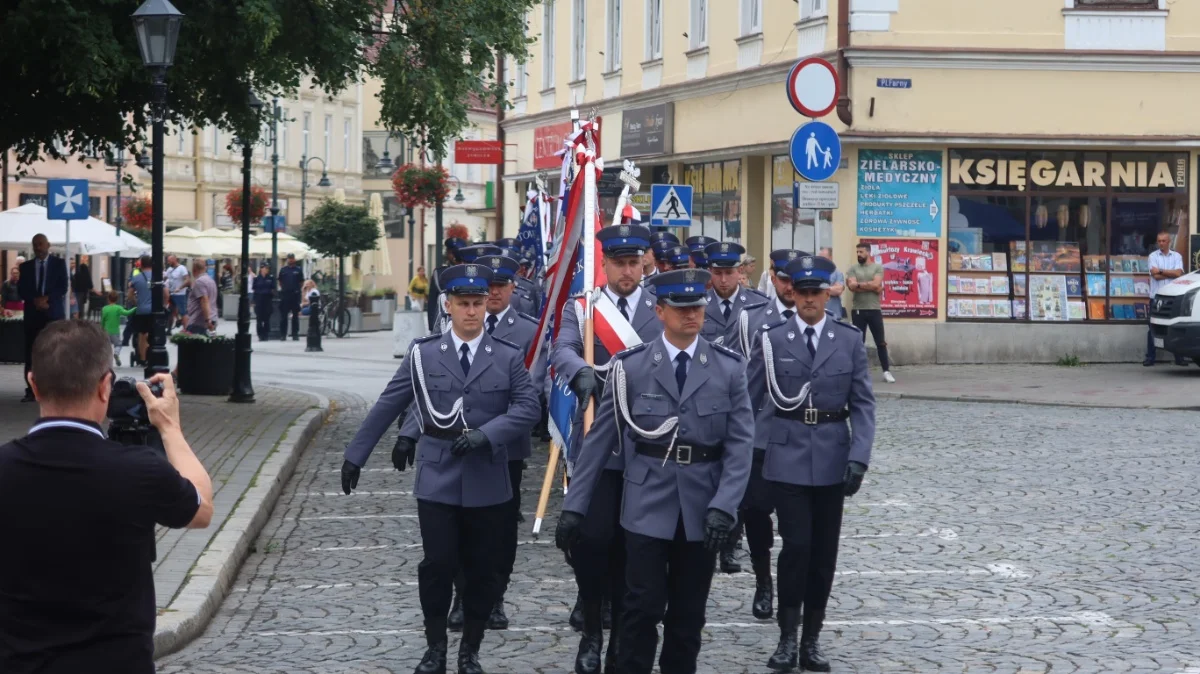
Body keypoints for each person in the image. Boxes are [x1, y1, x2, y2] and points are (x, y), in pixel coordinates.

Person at [341, 263, 540, 674]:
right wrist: (355, 455)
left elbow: (527, 408)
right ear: (447, 306)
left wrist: (488, 434)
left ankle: (471, 649)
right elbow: (390, 402)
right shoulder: (425, 352)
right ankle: (435, 648)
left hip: (488, 475)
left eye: (477, 303)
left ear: (487, 304)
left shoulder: (507, 356)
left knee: (482, 569)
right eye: (463, 304)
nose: (471, 311)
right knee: (438, 564)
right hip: (438, 475)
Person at [556, 267, 753, 674]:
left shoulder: (728, 368)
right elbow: (598, 442)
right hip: (646, 504)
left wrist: (725, 505)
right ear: (660, 310)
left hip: (701, 507)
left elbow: (739, 445)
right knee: (640, 607)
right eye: (681, 308)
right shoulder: (631, 367)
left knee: (688, 615)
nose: (691, 315)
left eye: (696, 307)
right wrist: (575, 507)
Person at [0, 320, 213, 674]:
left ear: (33, 384)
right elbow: (201, 510)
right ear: (105, 386)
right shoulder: (139, 471)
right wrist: (170, 427)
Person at [394, 254, 542, 633]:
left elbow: (534, 390)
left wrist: (493, 433)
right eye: (480, 293)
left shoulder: (527, 332)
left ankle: (494, 596)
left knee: (501, 532)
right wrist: (410, 433)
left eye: (499, 286)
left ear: (512, 287)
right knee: (452, 532)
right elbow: (430, 394)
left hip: (503, 448)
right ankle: (463, 597)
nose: (490, 296)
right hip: (450, 448)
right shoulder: (446, 330)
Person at [747, 254, 876, 672]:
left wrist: (859, 457)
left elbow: (864, 406)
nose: (807, 299)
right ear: (792, 293)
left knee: (823, 555)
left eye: (815, 292)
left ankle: (812, 639)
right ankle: (787, 636)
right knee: (796, 547)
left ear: (828, 293)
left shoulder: (849, 339)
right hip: (785, 455)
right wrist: (746, 451)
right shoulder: (772, 338)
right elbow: (749, 399)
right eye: (800, 292)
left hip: (833, 456)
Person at [552, 223, 664, 673]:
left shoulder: (663, 308)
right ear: (605, 264)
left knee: (633, 550)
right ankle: (592, 633)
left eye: (633, 263)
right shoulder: (585, 308)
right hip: (598, 444)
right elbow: (559, 348)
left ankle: (620, 635)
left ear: (643, 263)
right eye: (617, 263)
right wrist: (579, 368)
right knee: (593, 541)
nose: (626, 271)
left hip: (648, 447)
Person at [18, 234, 68, 402]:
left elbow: (63, 287)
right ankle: (31, 389)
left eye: (40, 244)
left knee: (54, 351)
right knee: (32, 352)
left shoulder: (59, 264)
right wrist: (35, 300)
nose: (38, 247)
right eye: (35, 245)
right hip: (33, 315)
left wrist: (47, 299)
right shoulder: (25, 267)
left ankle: (55, 388)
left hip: (52, 314)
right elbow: (21, 290)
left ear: (48, 245)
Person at [847, 241, 896, 383]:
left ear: (868, 252)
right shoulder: (853, 269)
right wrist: (872, 286)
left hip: (874, 309)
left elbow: (876, 284)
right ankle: (858, 372)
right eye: (857, 252)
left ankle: (886, 371)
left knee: (880, 342)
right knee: (858, 343)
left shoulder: (877, 267)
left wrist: (860, 285)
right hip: (858, 310)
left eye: (861, 252)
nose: (859, 255)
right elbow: (852, 286)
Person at [1146, 230, 1186, 366]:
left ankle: (1179, 358)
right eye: (1159, 241)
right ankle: (1150, 358)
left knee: (1175, 326)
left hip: (1174, 297)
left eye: (1164, 241)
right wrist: (1171, 273)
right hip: (1156, 297)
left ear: (1169, 242)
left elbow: (1179, 273)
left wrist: (1161, 271)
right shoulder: (1152, 256)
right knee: (1152, 327)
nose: (1161, 243)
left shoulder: (1177, 256)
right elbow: (1155, 275)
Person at [426, 237, 467, 333]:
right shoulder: (439, 273)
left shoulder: (470, 274)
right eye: (450, 252)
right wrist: (432, 327)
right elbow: (432, 301)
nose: (453, 256)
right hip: (443, 324)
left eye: (456, 252)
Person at [125, 255, 158, 367]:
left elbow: (129, 295)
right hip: (155, 311)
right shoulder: (157, 276)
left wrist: (136, 302)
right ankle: (153, 355)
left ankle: (143, 359)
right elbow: (166, 292)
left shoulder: (137, 277)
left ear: (142, 264)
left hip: (142, 310)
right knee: (154, 333)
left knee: (142, 335)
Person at [101, 291, 136, 367]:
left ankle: (107, 361)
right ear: (117, 299)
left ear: (108, 299)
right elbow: (127, 313)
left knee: (107, 346)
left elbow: (102, 321)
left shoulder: (104, 309)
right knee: (118, 345)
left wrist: (102, 329)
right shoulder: (118, 308)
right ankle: (116, 353)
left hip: (106, 331)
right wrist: (135, 308)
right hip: (115, 332)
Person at [184, 259, 218, 336]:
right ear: (205, 268)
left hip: (199, 321)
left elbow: (204, 300)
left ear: (194, 269)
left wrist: (207, 320)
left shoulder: (199, 281)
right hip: (212, 317)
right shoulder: (211, 281)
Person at [278, 253, 304, 340]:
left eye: (292, 258)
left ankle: (295, 334)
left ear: (294, 259)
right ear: (287, 260)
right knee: (284, 316)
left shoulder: (298, 270)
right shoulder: (283, 270)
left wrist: (296, 289)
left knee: (295, 316)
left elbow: (301, 282)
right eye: (289, 258)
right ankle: (283, 334)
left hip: (295, 295)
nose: (291, 260)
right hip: (285, 295)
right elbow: (280, 282)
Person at [818, 247, 847, 319]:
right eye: (819, 258)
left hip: (834, 314)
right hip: (818, 315)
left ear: (830, 258)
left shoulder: (837, 273)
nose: (820, 260)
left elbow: (838, 290)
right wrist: (831, 287)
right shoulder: (815, 273)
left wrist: (819, 288)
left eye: (823, 258)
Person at [164, 255, 189, 331]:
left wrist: (180, 288)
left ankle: (186, 330)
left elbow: (187, 280)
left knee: (183, 312)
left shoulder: (182, 268)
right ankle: (169, 329)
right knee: (170, 311)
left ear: (174, 260)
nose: (168, 262)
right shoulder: (169, 269)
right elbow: (165, 278)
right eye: (167, 260)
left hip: (180, 294)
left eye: (169, 260)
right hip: (171, 294)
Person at [252, 265, 275, 341]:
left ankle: (266, 335)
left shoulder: (270, 278)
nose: (266, 270)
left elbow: (273, 289)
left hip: (267, 301)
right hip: (259, 301)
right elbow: (254, 290)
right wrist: (254, 301)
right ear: (261, 269)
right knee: (259, 319)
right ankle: (260, 334)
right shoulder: (256, 279)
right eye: (265, 268)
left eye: (267, 268)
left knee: (266, 319)